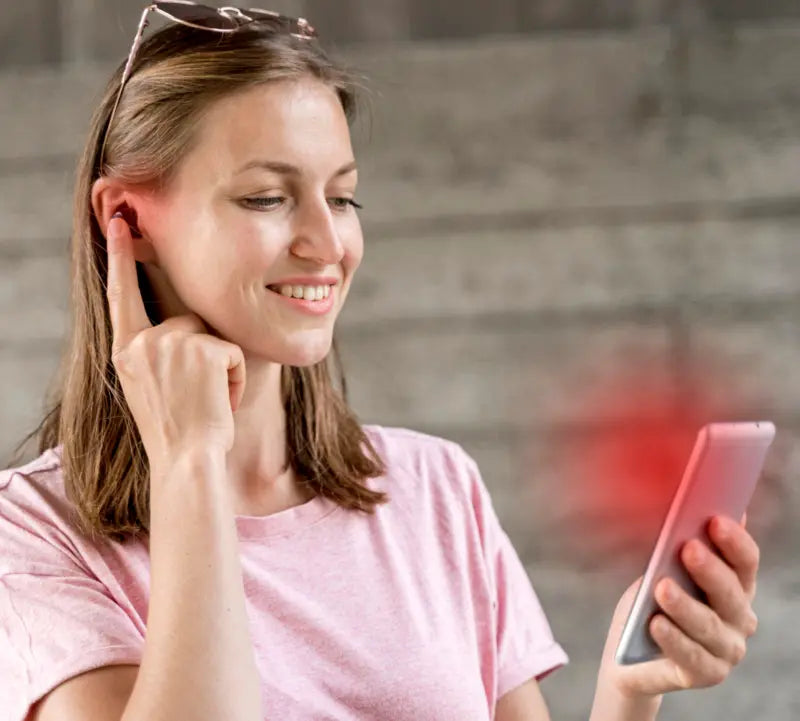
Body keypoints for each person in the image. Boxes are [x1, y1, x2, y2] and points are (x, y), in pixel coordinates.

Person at [0, 4, 761, 720]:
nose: (327, 244)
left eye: (342, 197)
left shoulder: (436, 489)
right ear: (125, 217)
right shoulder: (32, 533)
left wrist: (628, 693)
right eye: (267, 197)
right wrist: (191, 460)